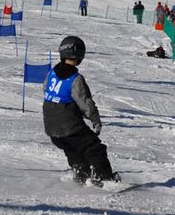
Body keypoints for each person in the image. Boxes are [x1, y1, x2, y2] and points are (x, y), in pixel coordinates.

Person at [43, 36, 119, 185]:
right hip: (69, 125)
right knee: (94, 147)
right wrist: (95, 120)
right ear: (80, 56)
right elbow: (85, 103)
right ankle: (103, 176)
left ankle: (81, 172)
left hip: (51, 127)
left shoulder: (51, 73)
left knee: (72, 148)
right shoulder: (75, 79)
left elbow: (46, 90)